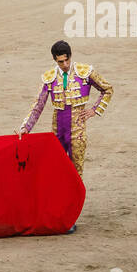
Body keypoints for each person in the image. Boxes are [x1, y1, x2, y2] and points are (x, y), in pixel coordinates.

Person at [17, 39, 114, 184]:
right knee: (56, 168)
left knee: (76, 170)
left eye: (66, 60)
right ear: (54, 59)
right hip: (57, 129)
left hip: (77, 128)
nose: (65, 65)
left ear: (70, 56)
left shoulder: (85, 72)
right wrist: (26, 126)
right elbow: (38, 104)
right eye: (60, 62)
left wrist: (95, 110)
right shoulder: (49, 77)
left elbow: (107, 89)